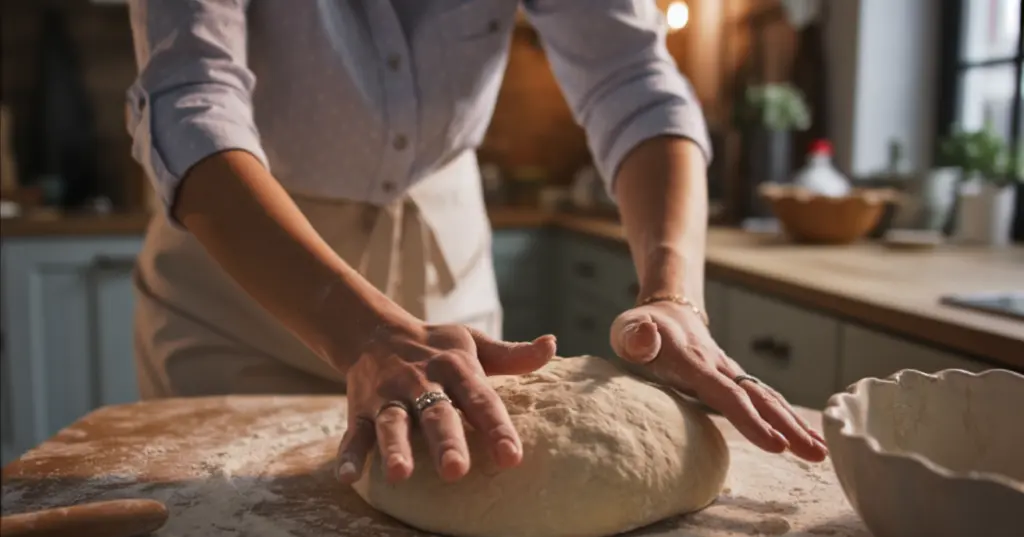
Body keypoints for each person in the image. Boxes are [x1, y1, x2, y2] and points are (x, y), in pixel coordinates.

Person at [126, 0, 828, 486]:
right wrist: (363, 330)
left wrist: (675, 297)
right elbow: (191, 98)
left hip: (443, 281)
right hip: (249, 277)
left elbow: (634, 80)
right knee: (236, 526)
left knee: (461, 517)